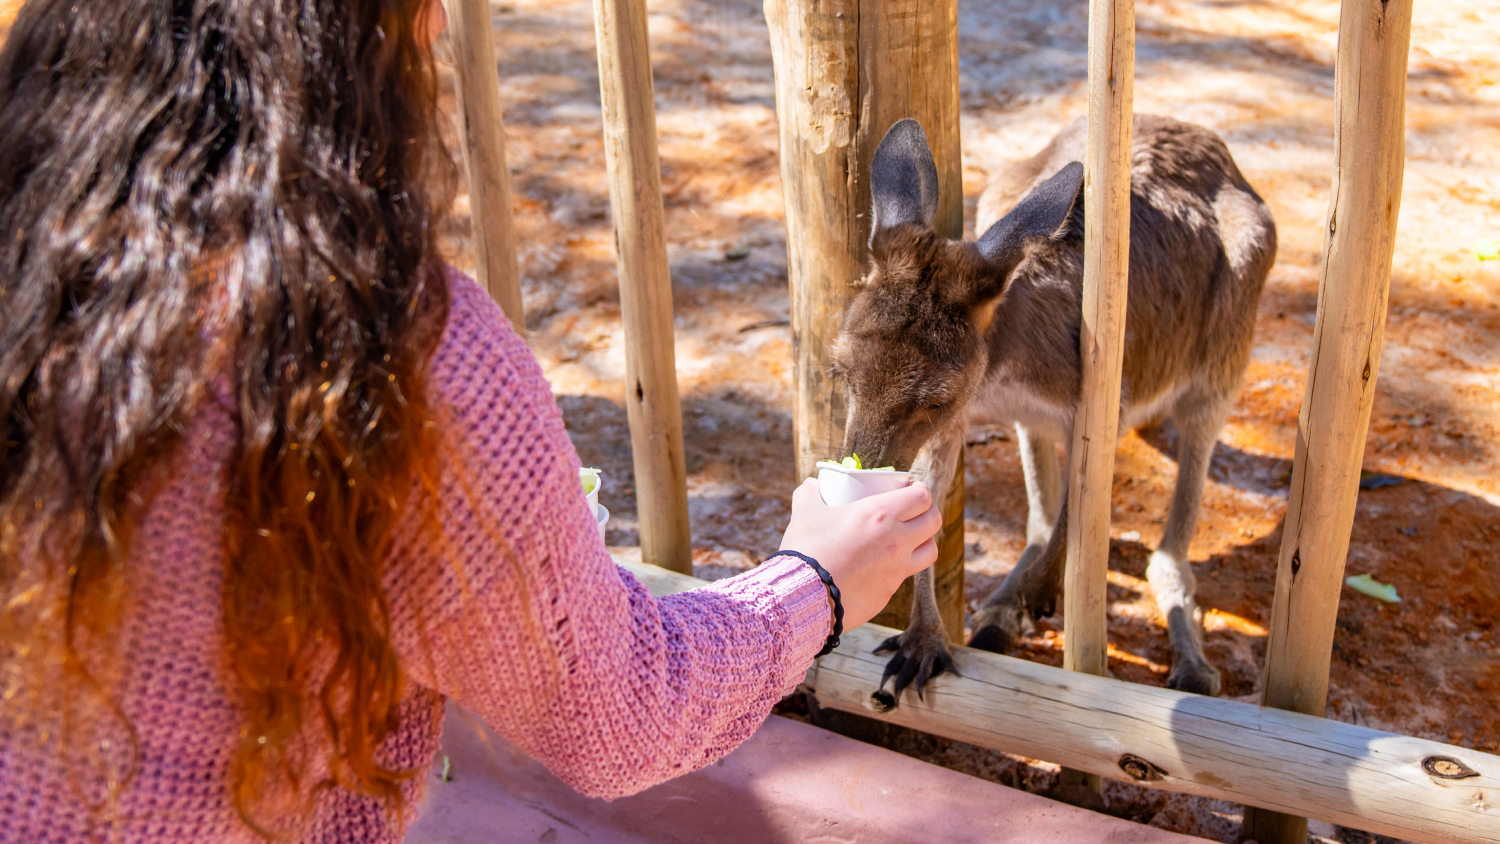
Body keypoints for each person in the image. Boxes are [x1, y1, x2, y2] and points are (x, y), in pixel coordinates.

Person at [0, 1, 943, 842]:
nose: (441, 20)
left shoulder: (34, 246)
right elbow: (615, 715)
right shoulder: (396, 352)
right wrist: (815, 583)